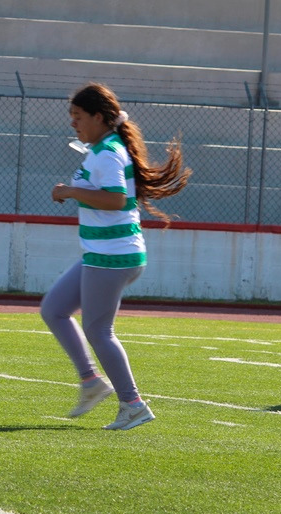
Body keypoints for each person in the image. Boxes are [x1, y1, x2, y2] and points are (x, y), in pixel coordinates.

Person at [41, 82, 190, 430]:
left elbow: (117, 200)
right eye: (72, 117)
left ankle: (133, 404)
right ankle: (91, 383)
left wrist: (69, 191)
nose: (73, 124)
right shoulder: (102, 149)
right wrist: (73, 192)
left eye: (78, 117)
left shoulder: (108, 152)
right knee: (54, 309)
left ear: (98, 116)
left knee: (98, 330)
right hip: (102, 253)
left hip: (112, 255)